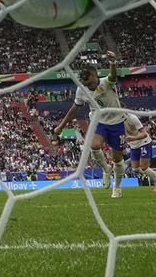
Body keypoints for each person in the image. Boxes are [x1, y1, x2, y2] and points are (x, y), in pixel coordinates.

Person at [54, 52, 126, 198]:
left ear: (95, 76)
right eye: (86, 84)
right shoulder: (81, 90)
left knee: (118, 159)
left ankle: (117, 187)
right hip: (99, 121)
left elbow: (113, 76)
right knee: (93, 145)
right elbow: (74, 109)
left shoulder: (106, 82)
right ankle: (106, 170)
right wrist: (61, 126)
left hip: (117, 122)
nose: (89, 86)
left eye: (90, 83)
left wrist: (112, 62)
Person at [124, 112, 156, 193]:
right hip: (133, 146)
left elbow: (144, 134)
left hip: (144, 142)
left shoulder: (132, 118)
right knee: (135, 168)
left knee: (144, 167)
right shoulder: (115, 121)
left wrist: (132, 138)